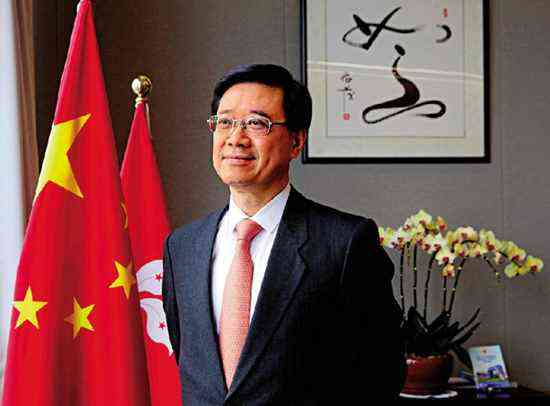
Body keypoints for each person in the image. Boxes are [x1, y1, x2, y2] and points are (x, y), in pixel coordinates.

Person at [162, 64, 406, 405]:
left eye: (256, 123)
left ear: (296, 141)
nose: (235, 138)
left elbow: (381, 374)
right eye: (225, 122)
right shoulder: (183, 247)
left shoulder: (345, 243)